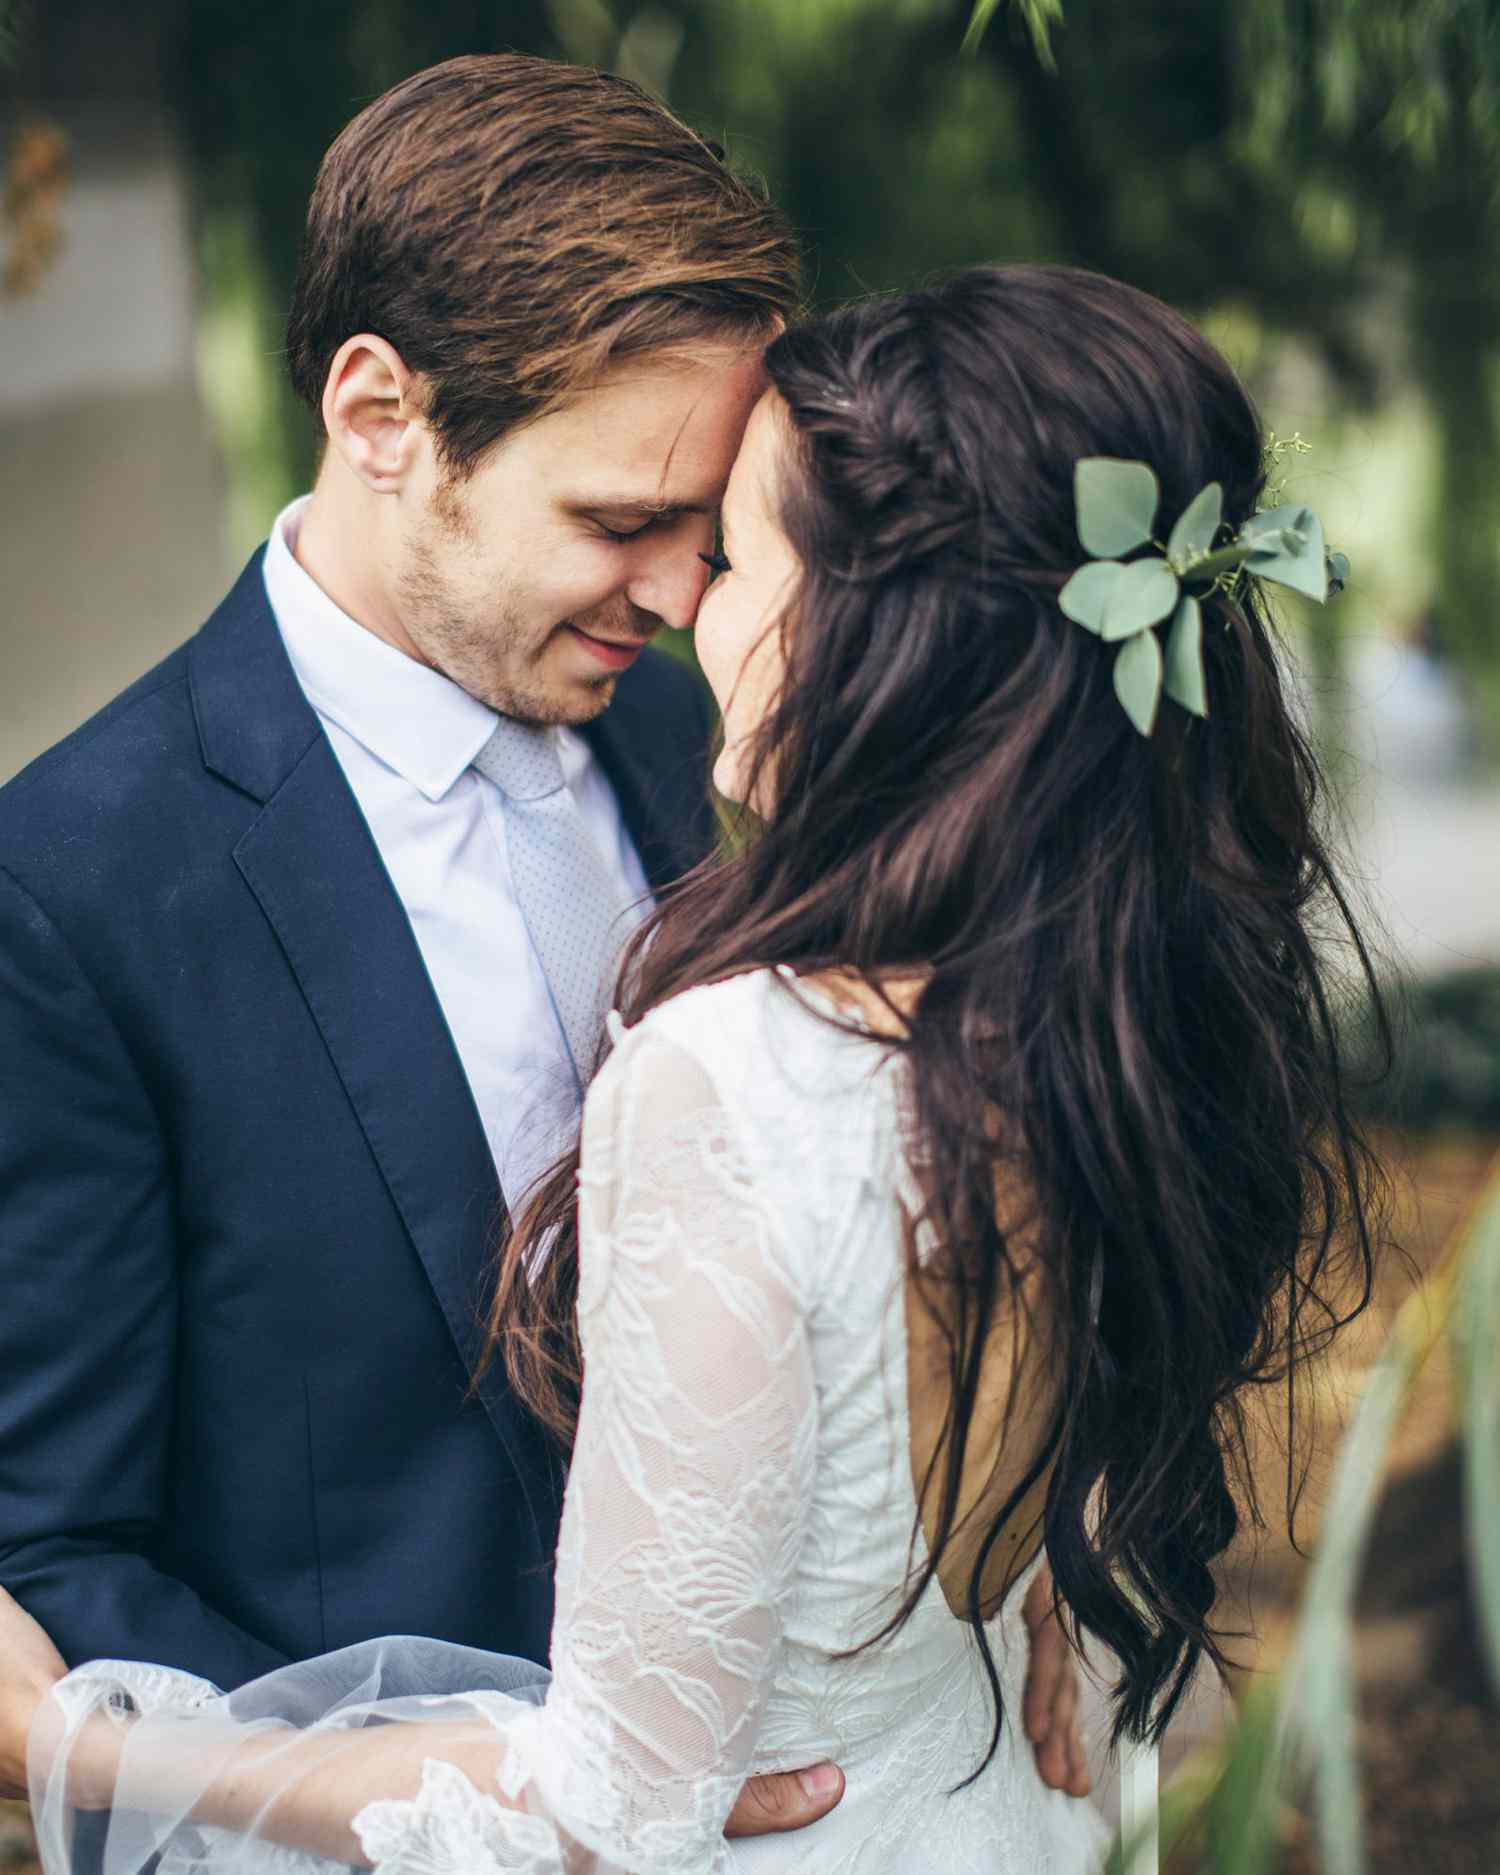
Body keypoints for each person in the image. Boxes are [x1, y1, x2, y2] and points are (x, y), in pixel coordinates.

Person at [0, 264, 1386, 1873]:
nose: (673, 600)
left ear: (881, 641)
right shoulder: (1100, 987)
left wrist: (69, 1743)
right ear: (381, 415)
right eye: (633, 521)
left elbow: (608, 1802)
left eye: (723, 547)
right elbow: (64, 1524)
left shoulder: (722, 978)